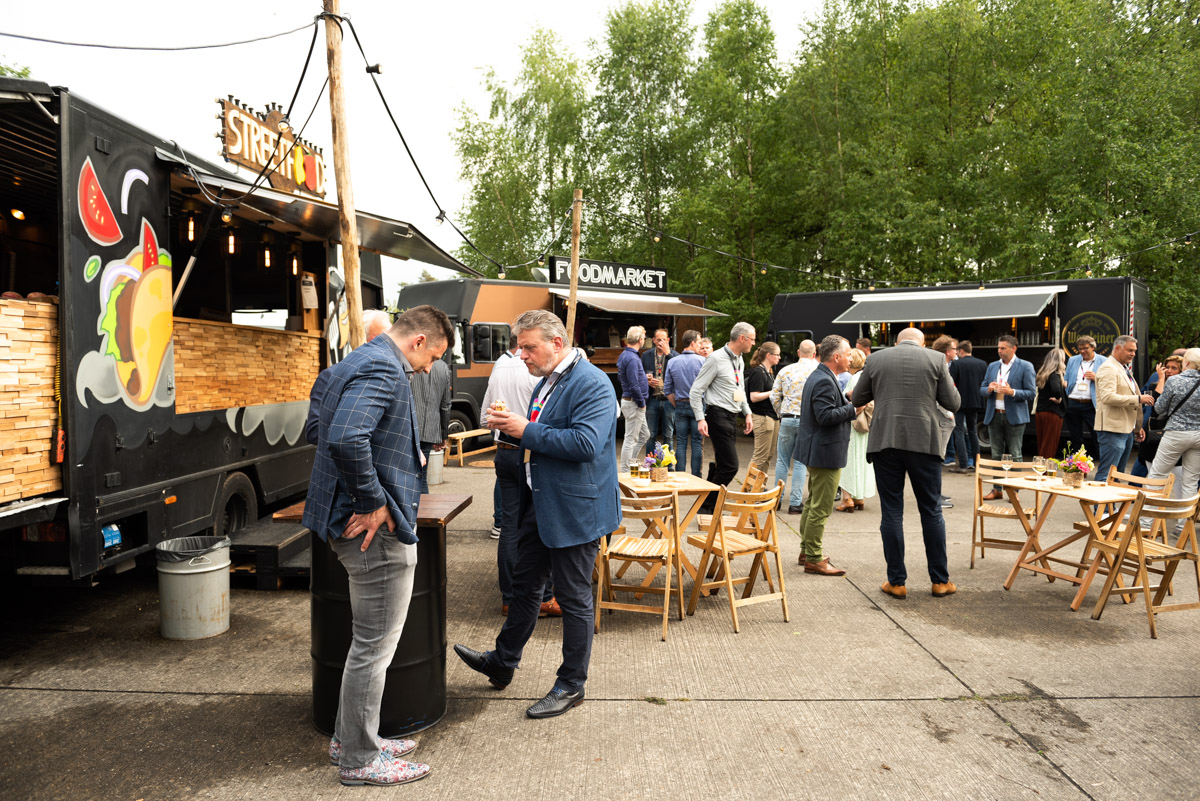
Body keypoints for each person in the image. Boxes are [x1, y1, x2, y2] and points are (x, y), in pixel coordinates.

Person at [303, 304, 453, 786]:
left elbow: (321, 430)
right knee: (373, 647)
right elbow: (346, 439)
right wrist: (370, 501)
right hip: (373, 533)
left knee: (365, 645)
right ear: (419, 342)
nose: (431, 368)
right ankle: (361, 759)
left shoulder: (353, 361)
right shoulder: (385, 368)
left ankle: (353, 739)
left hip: (352, 524)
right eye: (434, 357)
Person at [454, 310, 620, 719]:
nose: (521, 355)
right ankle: (503, 661)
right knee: (526, 588)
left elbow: (586, 444)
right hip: (541, 502)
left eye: (529, 347)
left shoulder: (592, 383)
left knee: (575, 598)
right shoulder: (547, 380)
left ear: (557, 343)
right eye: (520, 346)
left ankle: (571, 684)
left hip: (576, 509)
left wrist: (520, 429)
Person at [851, 327, 960, 600]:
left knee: (891, 512)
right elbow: (953, 403)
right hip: (925, 443)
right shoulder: (936, 359)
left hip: (886, 442)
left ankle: (896, 582)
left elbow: (857, 398)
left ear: (897, 342)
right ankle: (940, 581)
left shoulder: (876, 359)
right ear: (923, 343)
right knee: (932, 511)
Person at [480, 340, 556, 617]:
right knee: (537, 522)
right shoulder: (537, 373)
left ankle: (510, 598)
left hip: (504, 452)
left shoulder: (499, 368)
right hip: (529, 453)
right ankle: (544, 597)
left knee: (510, 526)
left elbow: (484, 416)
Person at [793, 336, 857, 575]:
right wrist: (854, 408)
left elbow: (827, 408)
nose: (851, 358)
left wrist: (846, 399)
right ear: (836, 356)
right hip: (824, 452)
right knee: (821, 506)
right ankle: (814, 558)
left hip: (819, 450)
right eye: (848, 353)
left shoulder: (822, 376)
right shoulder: (823, 379)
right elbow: (825, 416)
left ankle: (807, 551)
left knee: (813, 504)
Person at [691, 323, 756, 515]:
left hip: (731, 415)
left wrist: (747, 412)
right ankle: (706, 505)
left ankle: (709, 504)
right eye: (752, 339)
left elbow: (739, 389)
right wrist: (700, 418)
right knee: (731, 466)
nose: (754, 343)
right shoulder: (716, 358)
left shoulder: (739, 359)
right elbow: (696, 390)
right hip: (717, 415)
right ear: (742, 338)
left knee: (722, 463)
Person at [305, 310, 392, 446]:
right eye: (387, 338)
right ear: (372, 340)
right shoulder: (330, 377)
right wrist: (356, 433)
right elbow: (314, 432)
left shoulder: (391, 375)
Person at [980, 335, 1036, 501]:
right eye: (998, 348)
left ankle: (1014, 491)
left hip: (1015, 417)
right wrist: (989, 389)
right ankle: (997, 489)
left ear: (1014, 348)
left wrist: (1012, 392)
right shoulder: (992, 366)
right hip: (994, 415)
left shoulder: (1025, 366)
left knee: (1016, 454)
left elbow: (1031, 393)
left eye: (1003, 348)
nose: (999, 351)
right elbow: (982, 388)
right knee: (996, 454)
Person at [1145, 348, 1200, 510]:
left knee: (1157, 476)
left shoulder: (1175, 381)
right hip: (1198, 435)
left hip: (1176, 433)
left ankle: (1148, 522)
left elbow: (1160, 409)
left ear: (1187, 363)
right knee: (1190, 481)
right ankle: (1183, 526)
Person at [1093, 335, 1155, 480]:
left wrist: (1137, 427)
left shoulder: (1122, 368)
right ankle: (1100, 504)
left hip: (1125, 429)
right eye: (1130, 350)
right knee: (1107, 474)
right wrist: (1139, 399)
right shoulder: (1108, 368)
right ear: (1118, 348)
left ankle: (1111, 504)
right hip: (1112, 430)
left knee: (1117, 475)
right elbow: (1108, 397)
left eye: (1134, 351)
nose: (1133, 354)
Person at [771, 339, 819, 514]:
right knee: (800, 463)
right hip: (807, 421)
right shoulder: (817, 371)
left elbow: (774, 396)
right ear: (814, 354)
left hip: (788, 419)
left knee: (782, 460)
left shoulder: (785, 370)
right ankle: (796, 503)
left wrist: (780, 412)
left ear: (798, 352)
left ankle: (777, 500)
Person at [835, 347, 876, 513]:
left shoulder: (853, 379)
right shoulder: (866, 377)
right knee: (861, 461)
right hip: (865, 428)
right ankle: (859, 497)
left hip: (853, 426)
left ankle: (847, 498)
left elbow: (852, 402)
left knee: (848, 461)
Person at [1132, 355, 1183, 476]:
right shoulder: (1156, 383)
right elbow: (1151, 401)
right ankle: (1134, 488)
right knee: (1143, 462)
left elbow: (1158, 405)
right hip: (1152, 431)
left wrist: (1161, 380)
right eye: (1167, 367)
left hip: (1170, 432)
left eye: (1174, 368)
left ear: (1181, 371)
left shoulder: (1181, 387)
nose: (1169, 371)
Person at [665, 330, 706, 476]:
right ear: (693, 343)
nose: (700, 345)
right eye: (699, 342)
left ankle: (680, 475)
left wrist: (676, 404)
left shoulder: (672, 361)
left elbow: (667, 389)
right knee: (696, 442)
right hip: (698, 406)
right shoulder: (702, 361)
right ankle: (697, 477)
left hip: (680, 403)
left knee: (680, 442)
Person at [410, 357, 451, 494]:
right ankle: (425, 513)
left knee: (408, 477)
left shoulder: (412, 361)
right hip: (429, 429)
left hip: (409, 427)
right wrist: (443, 434)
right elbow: (445, 405)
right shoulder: (443, 367)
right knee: (421, 477)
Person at [1064, 336, 1106, 459]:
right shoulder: (1073, 360)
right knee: (1075, 436)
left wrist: (1096, 377)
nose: (1082, 351)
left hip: (1090, 404)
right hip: (1073, 402)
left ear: (1093, 347)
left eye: (1085, 348)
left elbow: (1110, 381)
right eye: (1080, 349)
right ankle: (1077, 463)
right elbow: (1066, 377)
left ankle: (1102, 462)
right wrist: (1066, 388)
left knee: (1097, 434)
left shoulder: (1103, 361)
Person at [948, 340, 987, 474]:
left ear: (961, 351)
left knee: (958, 431)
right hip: (976, 402)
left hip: (959, 402)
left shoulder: (956, 364)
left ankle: (963, 464)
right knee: (973, 431)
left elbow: (950, 383)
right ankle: (977, 464)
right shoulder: (982, 364)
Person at [617, 326, 650, 472]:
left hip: (631, 400)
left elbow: (623, 378)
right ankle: (626, 471)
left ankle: (631, 464)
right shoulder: (631, 358)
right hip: (634, 403)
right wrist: (641, 402)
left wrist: (643, 377)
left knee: (644, 435)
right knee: (631, 438)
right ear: (640, 340)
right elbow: (633, 383)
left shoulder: (626, 355)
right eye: (644, 337)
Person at [641, 328, 677, 457]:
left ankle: (669, 465)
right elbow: (640, 375)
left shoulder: (675, 355)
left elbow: (678, 372)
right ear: (654, 340)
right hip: (652, 399)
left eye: (664, 339)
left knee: (668, 435)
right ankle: (650, 462)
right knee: (650, 434)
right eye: (658, 339)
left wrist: (668, 354)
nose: (661, 342)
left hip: (668, 400)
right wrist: (647, 380)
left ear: (668, 340)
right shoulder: (646, 355)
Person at [746, 341, 781, 474]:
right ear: (768, 355)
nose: (779, 357)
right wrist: (774, 392)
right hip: (762, 417)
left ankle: (760, 487)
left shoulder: (769, 373)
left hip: (773, 417)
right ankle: (748, 488)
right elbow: (754, 397)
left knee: (769, 456)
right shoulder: (758, 372)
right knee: (760, 456)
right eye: (777, 355)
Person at [1033, 349, 1067, 458]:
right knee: (1049, 445)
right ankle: (1045, 472)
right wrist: (1059, 398)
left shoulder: (1043, 373)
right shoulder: (1055, 374)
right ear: (1060, 360)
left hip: (1041, 411)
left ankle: (1040, 469)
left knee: (1042, 443)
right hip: (1052, 412)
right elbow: (1056, 389)